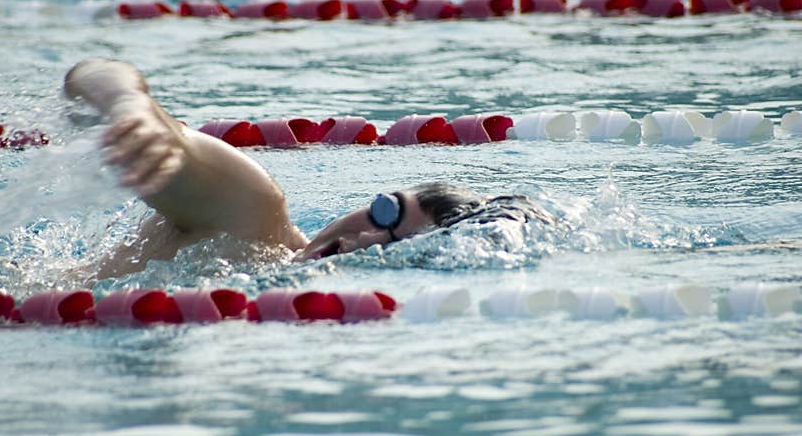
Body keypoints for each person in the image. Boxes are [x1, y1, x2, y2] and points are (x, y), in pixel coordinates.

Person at [64, 58, 555, 279]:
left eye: (398, 246)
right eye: (385, 212)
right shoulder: (254, 214)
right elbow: (91, 74)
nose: (363, 241)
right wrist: (132, 108)